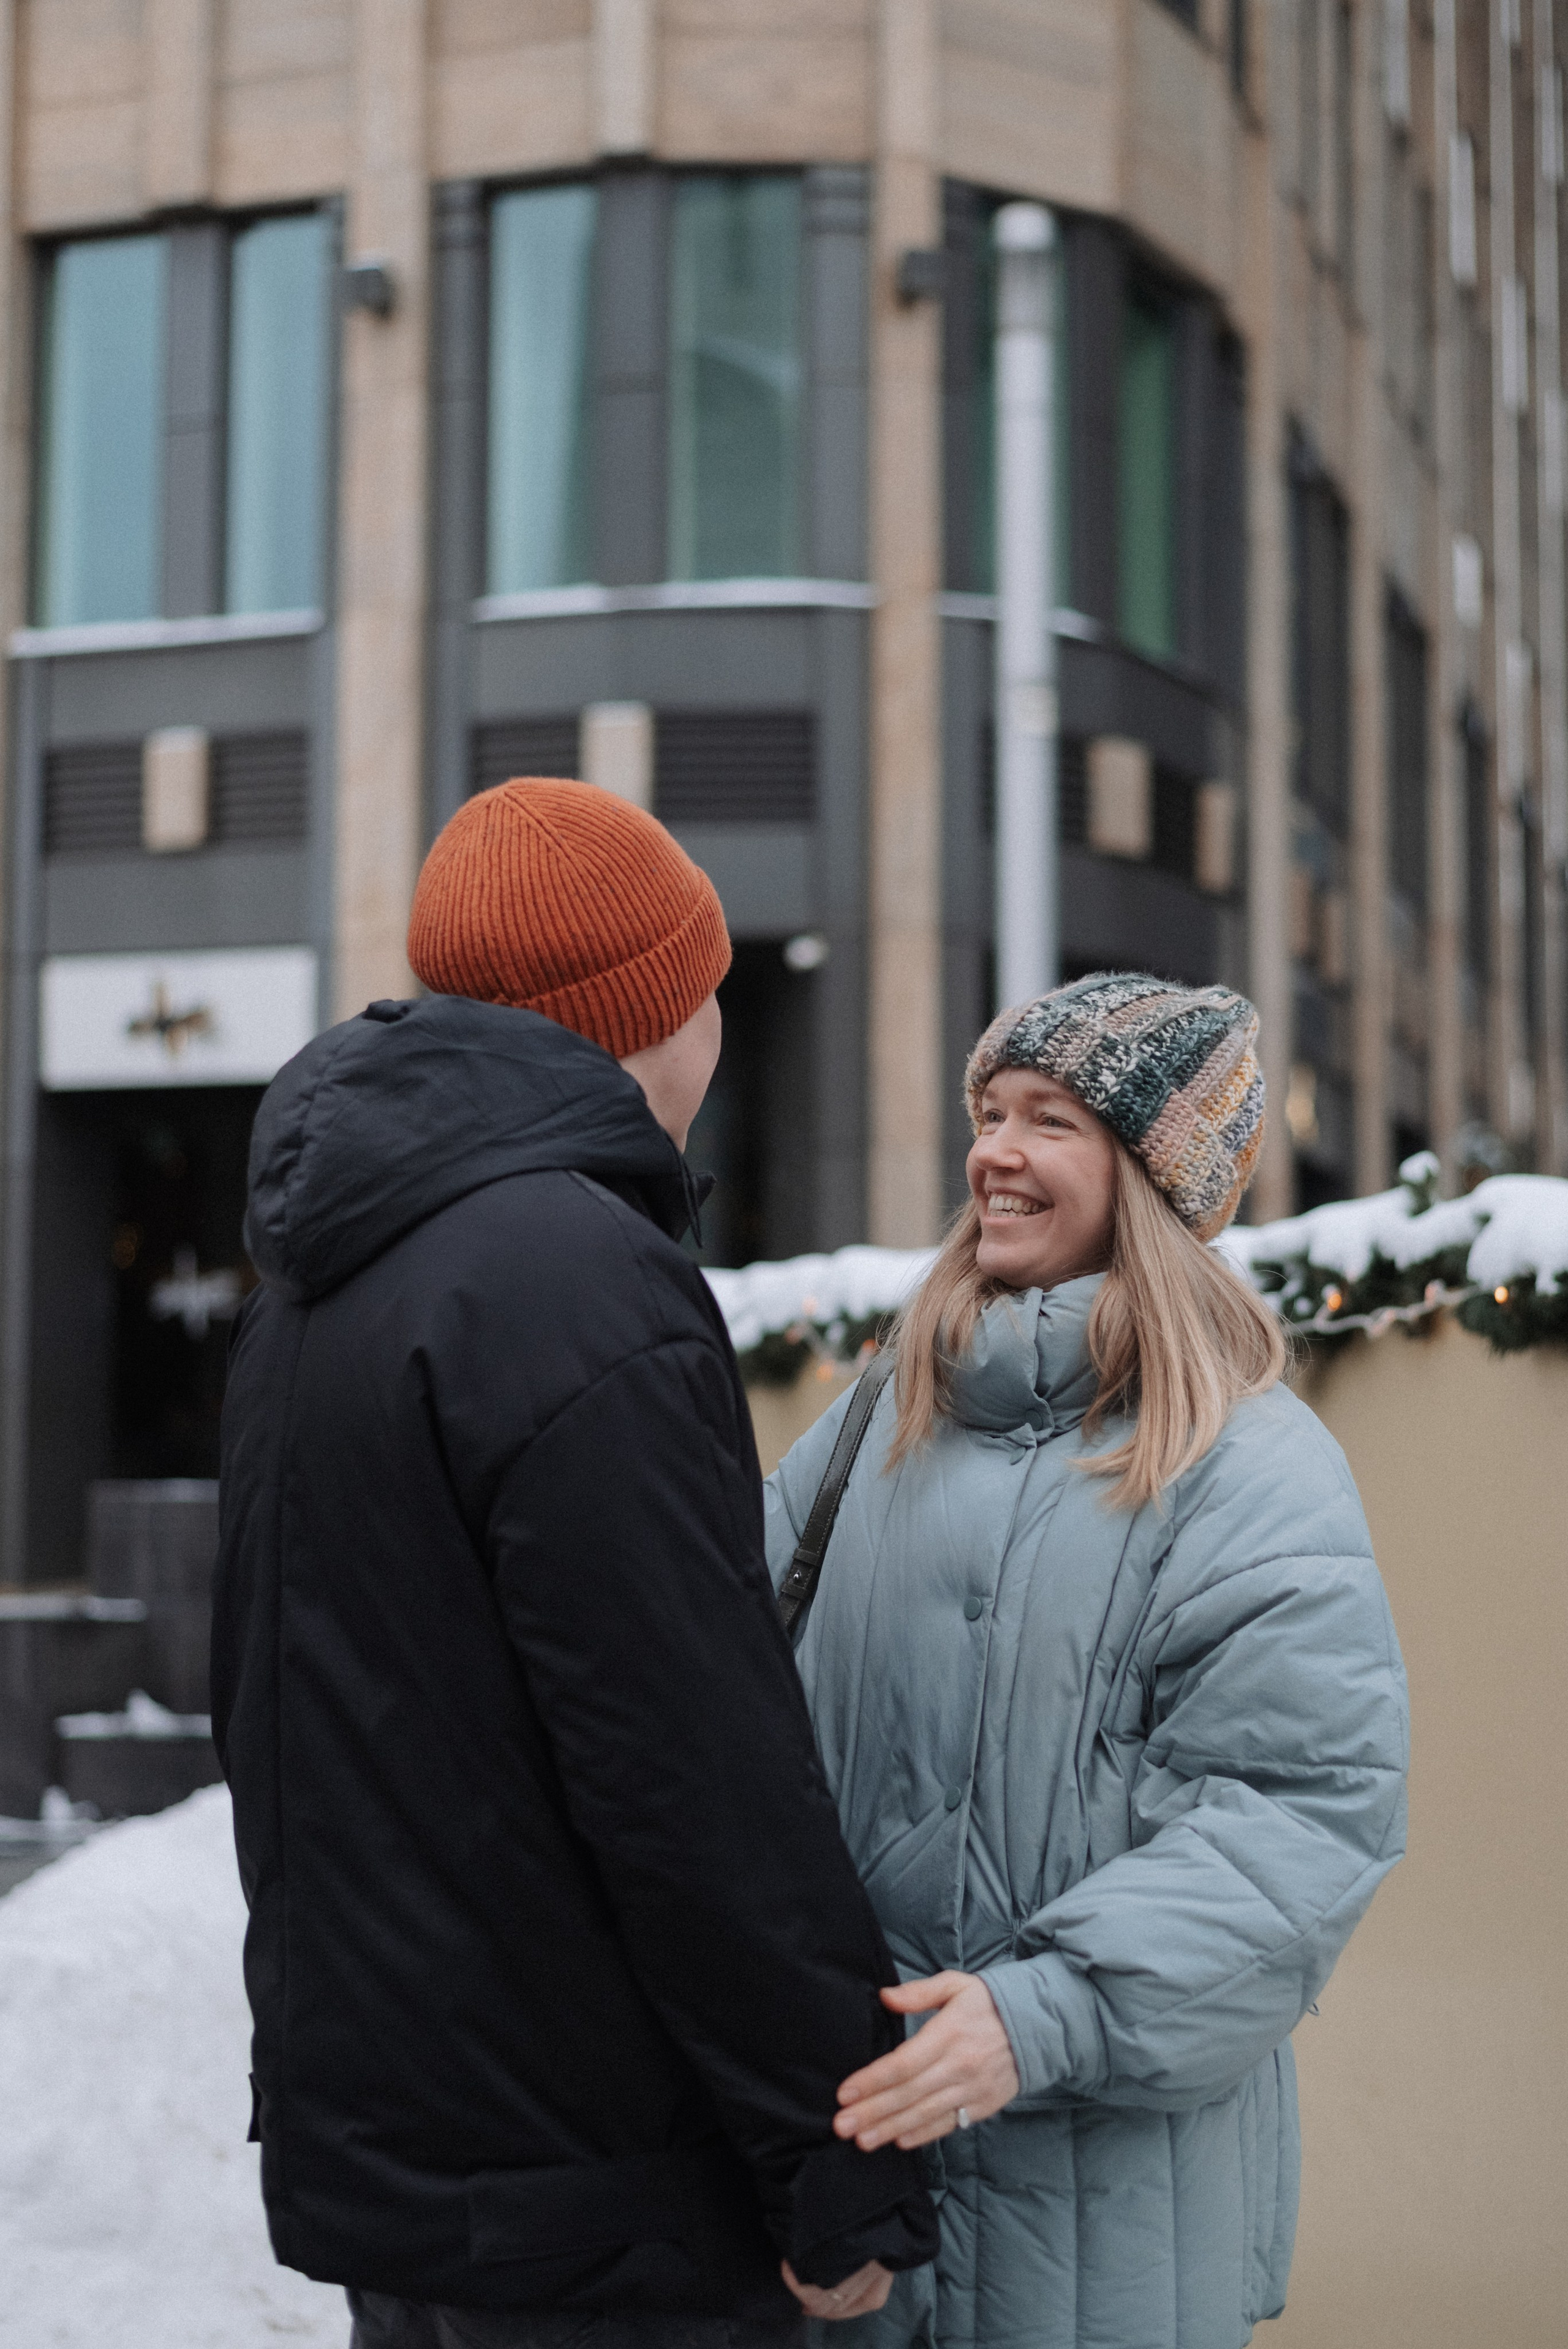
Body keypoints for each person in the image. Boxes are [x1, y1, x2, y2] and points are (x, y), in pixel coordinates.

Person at [211, 779, 937, 2349]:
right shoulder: (583, 1280)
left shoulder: (315, 1283)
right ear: (647, 1013)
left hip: (410, 2164)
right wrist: (833, 2153)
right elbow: (689, 1768)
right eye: (709, 984)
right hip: (596, 2196)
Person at [764, 973, 1409, 2349]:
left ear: (1151, 1179)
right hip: (855, 2223)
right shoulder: (874, 1420)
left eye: (1048, 1120)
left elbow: (1303, 1815)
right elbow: (723, 1700)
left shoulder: (1250, 1468)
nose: (993, 1153)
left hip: (1111, 2242)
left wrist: (1041, 2012)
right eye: (988, 1113)